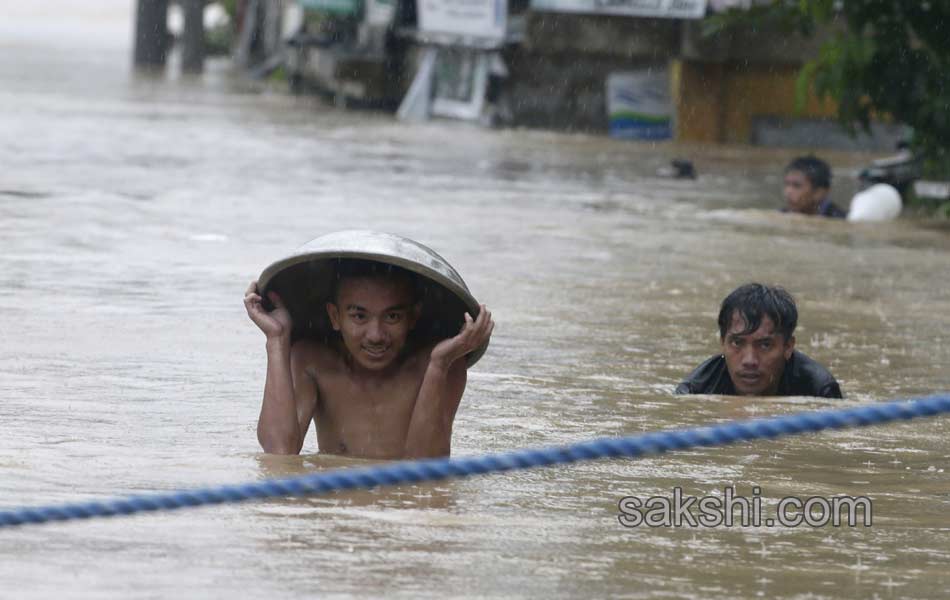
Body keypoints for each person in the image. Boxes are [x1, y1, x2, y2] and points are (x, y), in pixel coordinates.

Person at [244, 258, 494, 460]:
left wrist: (439, 365)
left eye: (392, 317)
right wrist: (276, 340)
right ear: (335, 316)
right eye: (359, 316)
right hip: (337, 508)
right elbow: (279, 453)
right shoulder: (313, 361)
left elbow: (425, 476)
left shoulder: (442, 361)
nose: (376, 335)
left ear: (413, 317)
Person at [676, 283, 842, 398]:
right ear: (722, 343)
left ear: (788, 347)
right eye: (737, 343)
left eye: (765, 345)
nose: (750, 361)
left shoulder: (820, 391)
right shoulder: (695, 391)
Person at [782, 156, 847, 218]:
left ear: (819, 193)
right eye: (787, 184)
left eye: (797, 185)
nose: (788, 191)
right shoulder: (783, 214)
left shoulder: (839, 219)